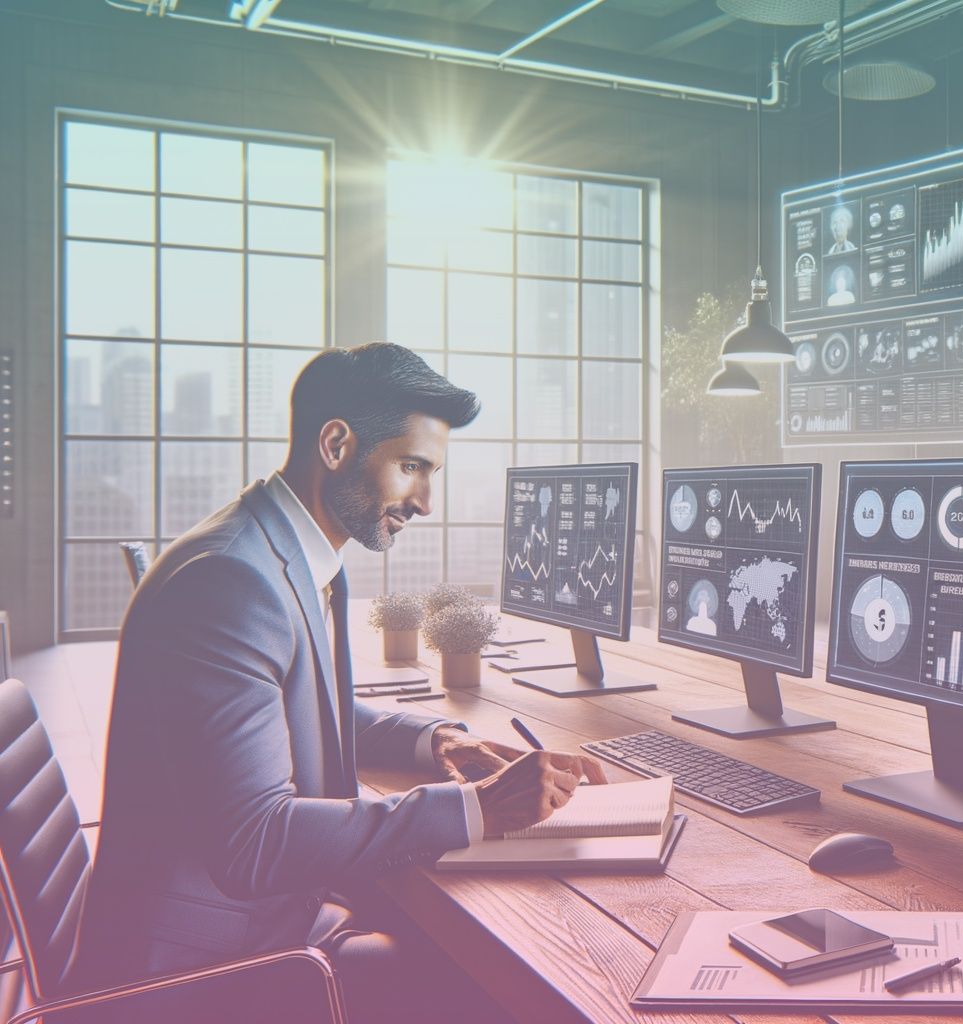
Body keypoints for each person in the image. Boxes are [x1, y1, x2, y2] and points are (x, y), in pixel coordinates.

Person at [71, 342, 604, 1023]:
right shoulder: (231, 580)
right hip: (192, 973)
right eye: (412, 467)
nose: (427, 501)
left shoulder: (280, 551)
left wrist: (434, 741)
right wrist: (477, 809)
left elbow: (297, 703)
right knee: (503, 990)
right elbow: (256, 842)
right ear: (335, 444)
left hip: (252, 928)